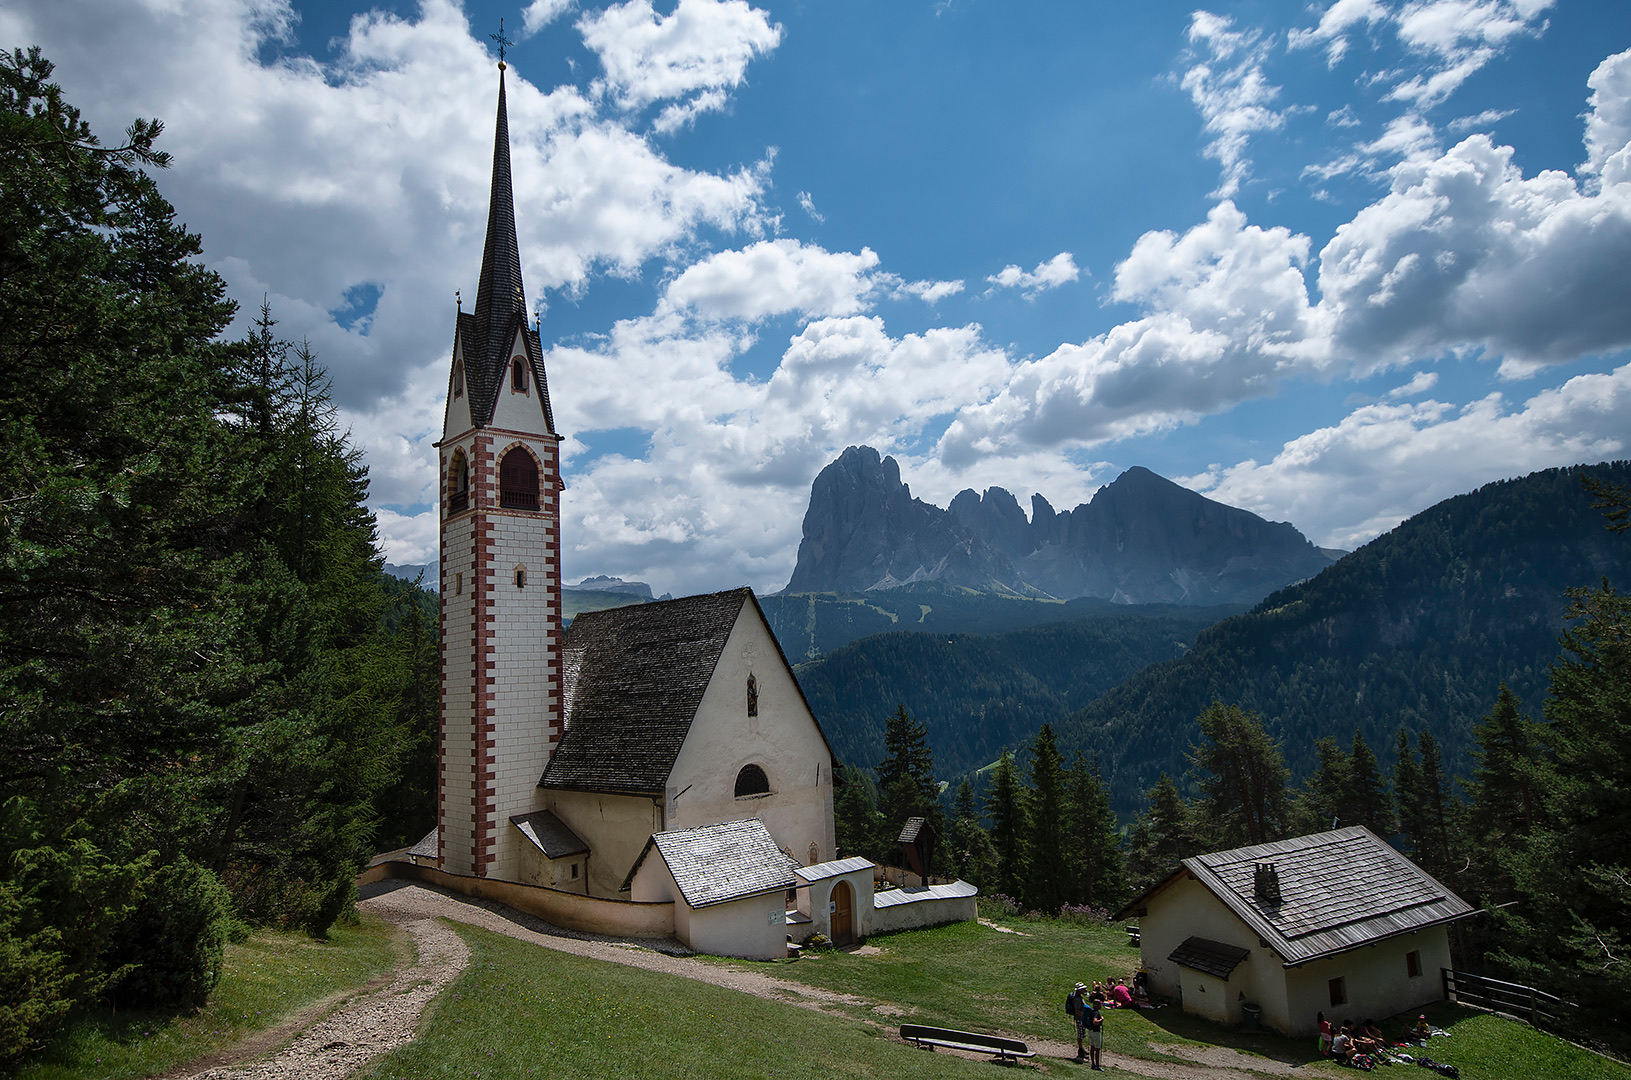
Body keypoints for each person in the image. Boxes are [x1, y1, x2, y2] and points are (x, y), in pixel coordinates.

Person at [1067, 983, 1090, 1060]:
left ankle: (1081, 1049)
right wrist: (1084, 1016)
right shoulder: (1077, 999)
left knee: (1082, 1033)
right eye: (1083, 989)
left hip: (1081, 1018)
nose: (1084, 990)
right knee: (1080, 1034)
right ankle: (1080, 1050)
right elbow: (1076, 1010)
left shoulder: (1079, 997)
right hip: (1079, 1018)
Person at [1086, 990, 1107, 1070]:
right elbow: (1095, 1022)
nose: (1101, 1005)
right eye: (1100, 1004)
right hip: (1096, 1033)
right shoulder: (1096, 1013)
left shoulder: (1091, 1012)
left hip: (1091, 1032)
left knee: (1092, 1047)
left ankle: (1093, 1064)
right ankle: (1097, 1065)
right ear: (1096, 1005)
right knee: (1097, 1049)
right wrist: (1101, 1020)